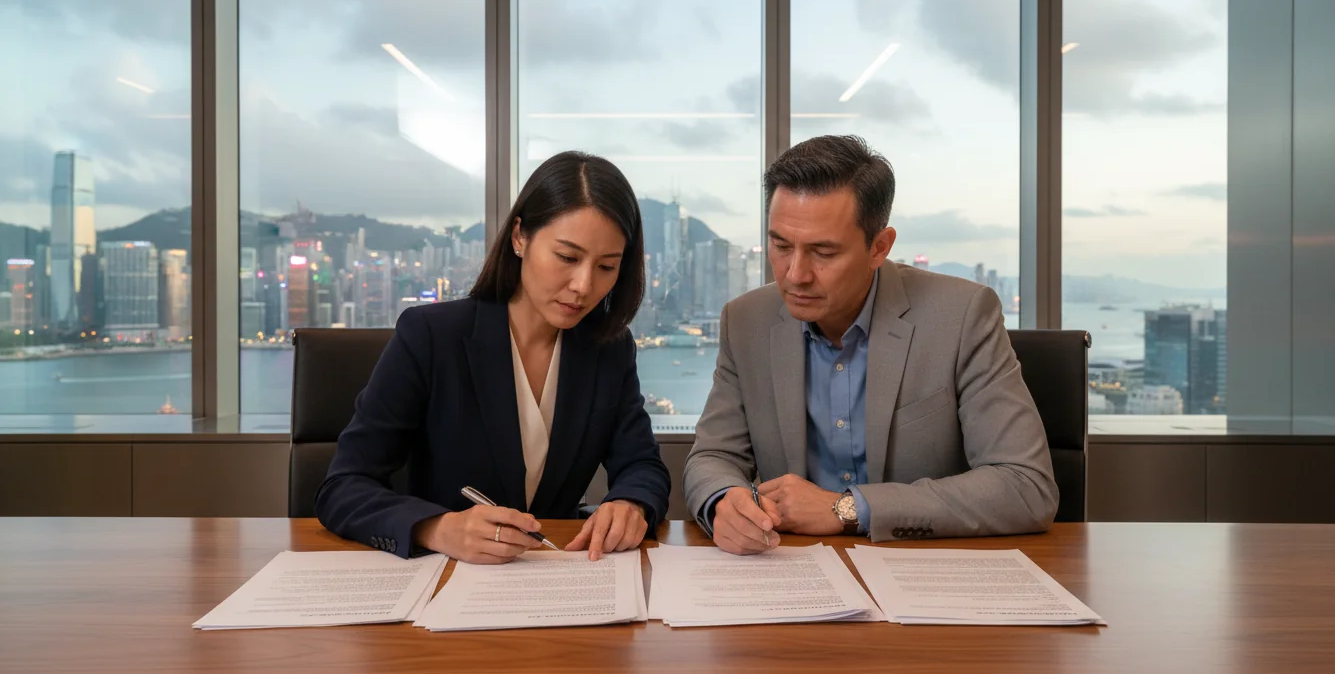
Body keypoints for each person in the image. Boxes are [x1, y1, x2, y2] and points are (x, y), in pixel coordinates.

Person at [683, 135, 1058, 555]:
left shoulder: (962, 316)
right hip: (792, 572)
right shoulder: (745, 320)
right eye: (781, 246)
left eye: (823, 252)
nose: (794, 275)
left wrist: (848, 509)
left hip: (925, 570)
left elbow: (1025, 486)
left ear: (879, 247)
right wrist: (723, 500)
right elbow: (711, 457)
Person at [317, 151, 671, 564]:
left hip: (556, 580)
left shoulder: (608, 349)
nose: (584, 285)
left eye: (607, 266)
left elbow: (642, 465)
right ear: (520, 237)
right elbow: (343, 487)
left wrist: (631, 503)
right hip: (445, 579)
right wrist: (437, 527)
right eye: (567, 257)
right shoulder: (431, 336)